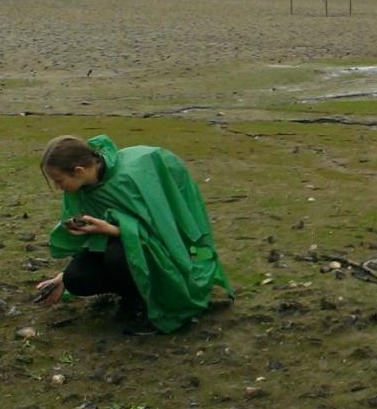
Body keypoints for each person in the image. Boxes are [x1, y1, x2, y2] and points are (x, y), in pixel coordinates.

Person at [35, 134, 232, 333]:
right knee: (76, 278)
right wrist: (63, 277)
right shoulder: (83, 189)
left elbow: (163, 232)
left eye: (59, 181)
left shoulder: (131, 177)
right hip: (123, 245)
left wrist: (111, 229)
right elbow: (92, 237)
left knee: (118, 256)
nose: (58, 188)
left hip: (163, 250)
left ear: (78, 170)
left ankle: (144, 303)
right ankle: (130, 292)